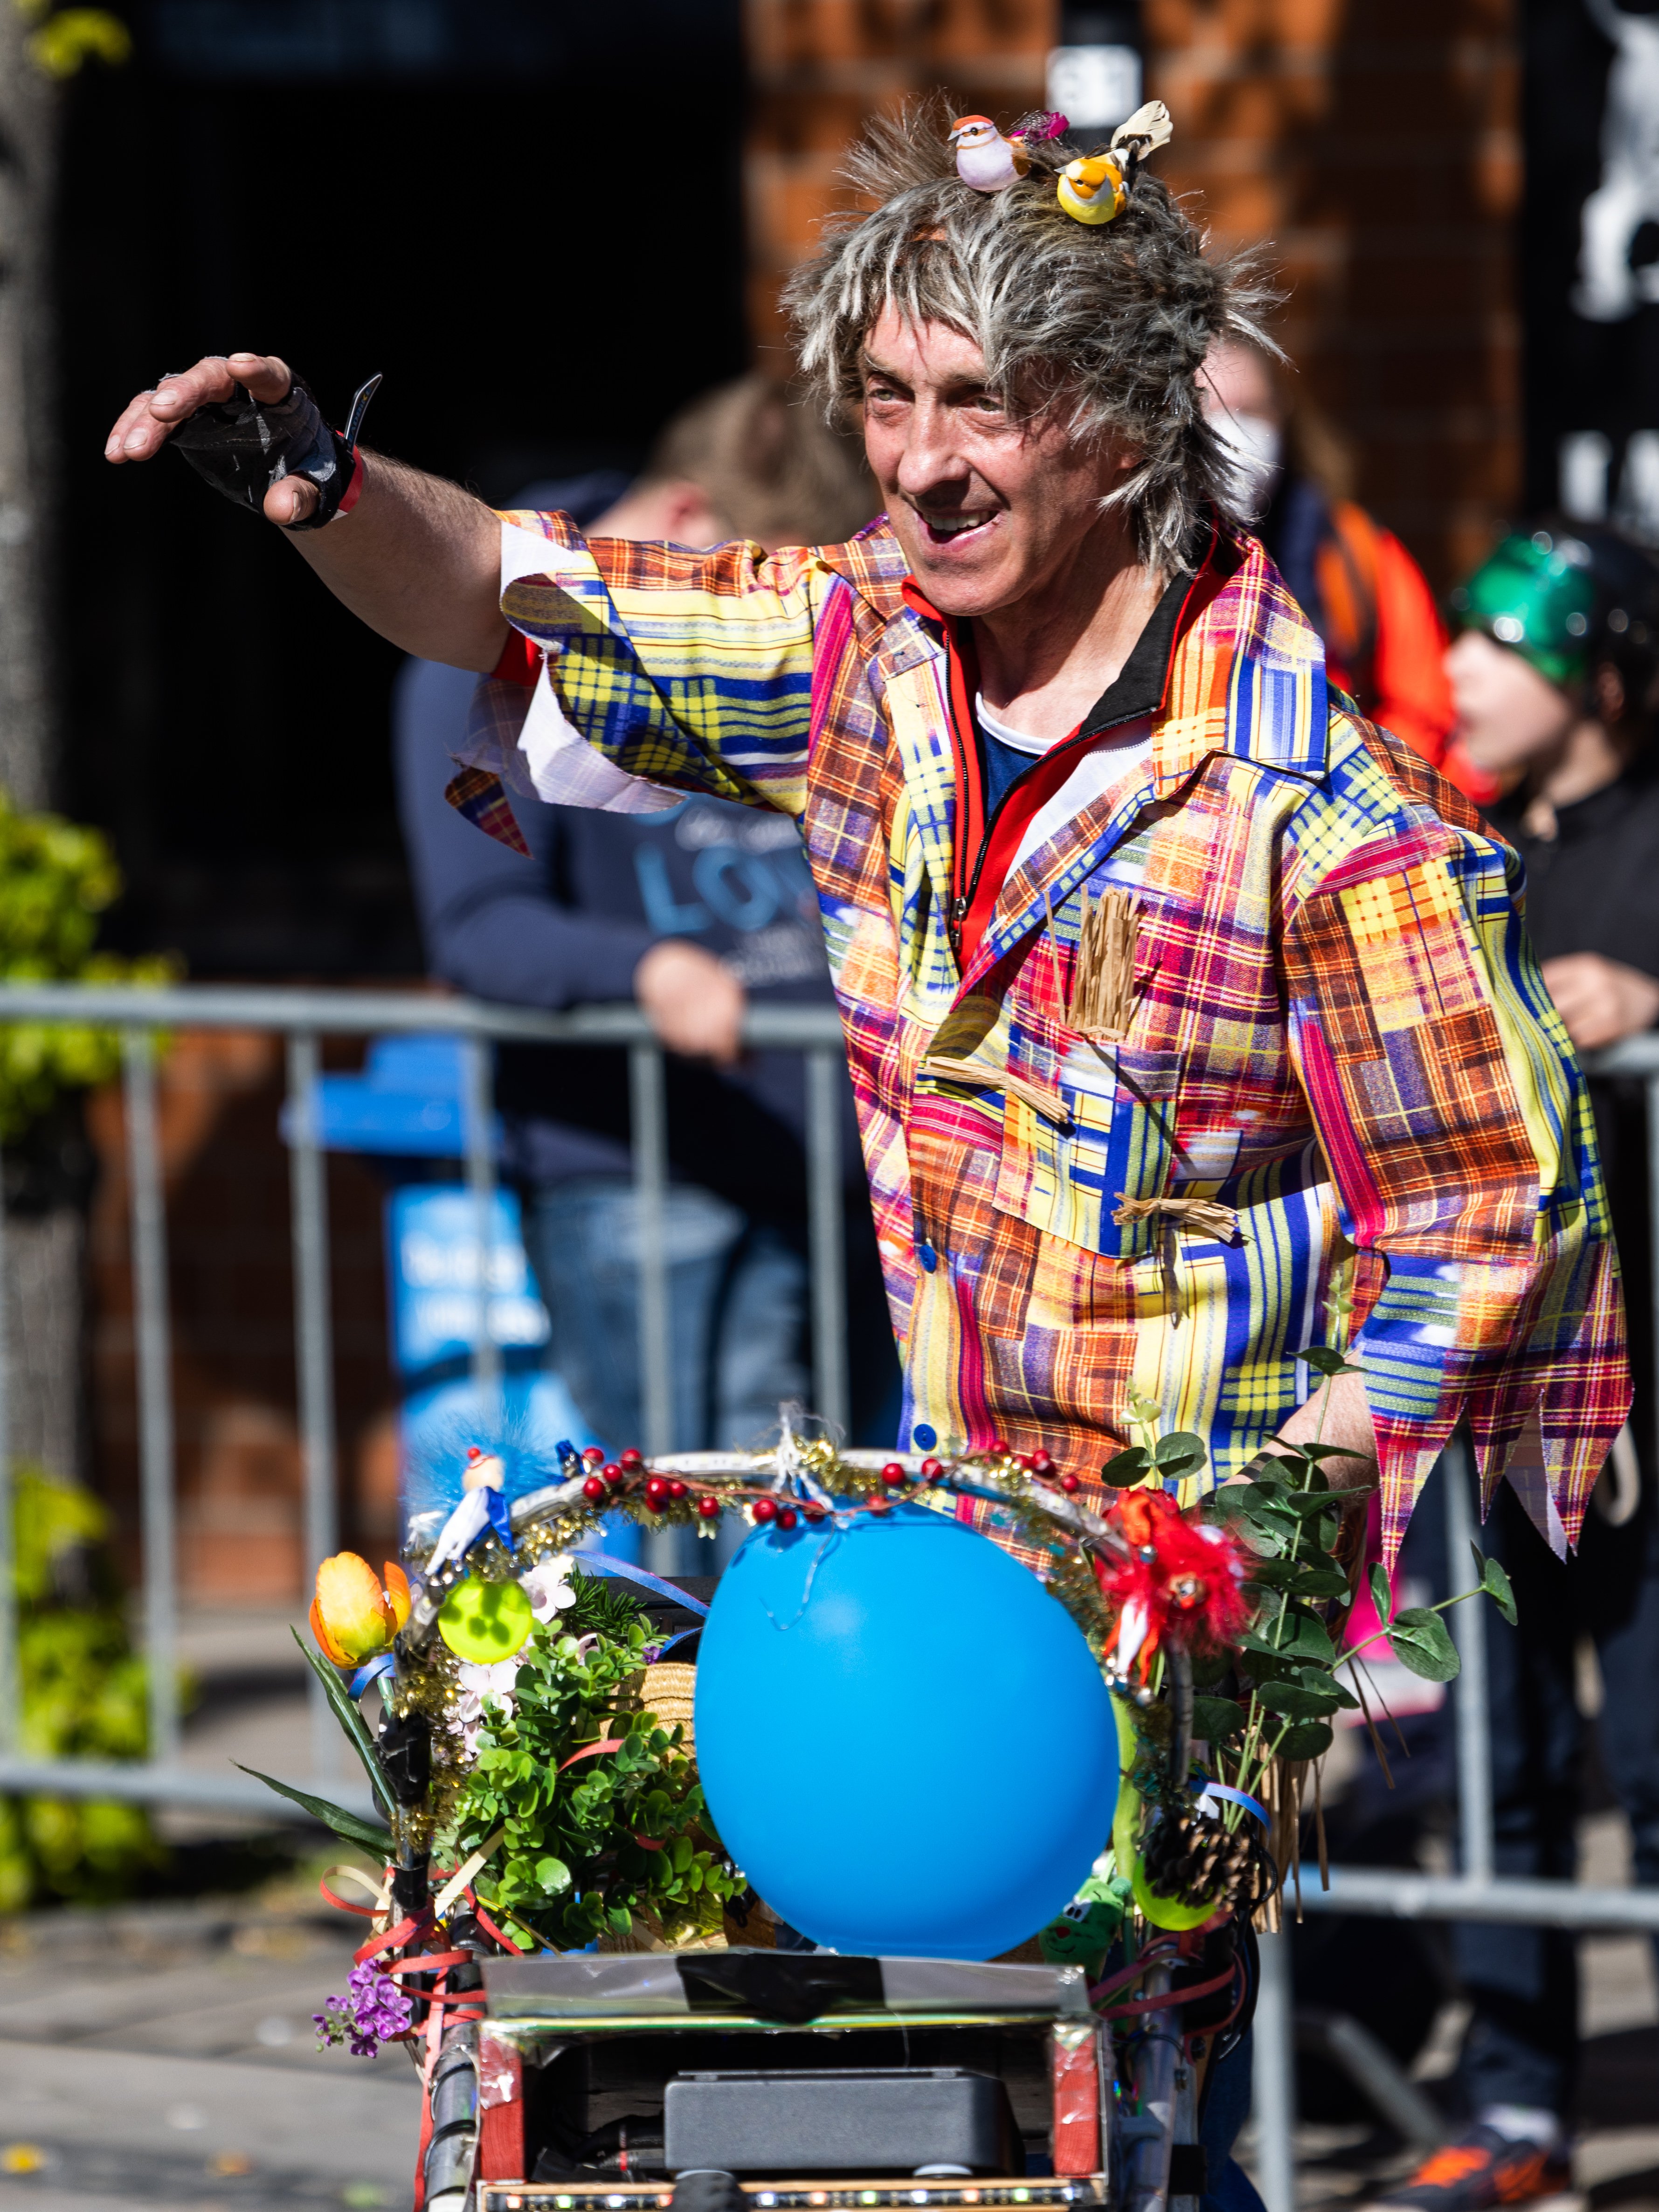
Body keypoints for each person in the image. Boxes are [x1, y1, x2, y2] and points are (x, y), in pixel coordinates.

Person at [101, 99, 1631, 2195]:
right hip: (946, 1553)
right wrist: (323, 489)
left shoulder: (1318, 810)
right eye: (889, 401)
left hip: (1182, 1606)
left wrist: (1283, 1540)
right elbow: (515, 594)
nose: (919, 461)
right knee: (964, 2123)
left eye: (981, 404)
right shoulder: (865, 662)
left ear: (1122, 424)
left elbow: (1484, 1209)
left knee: (1112, 2105)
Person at [394, 379, 892, 1571]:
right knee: (734, 1551)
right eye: (751, 583)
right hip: (649, 1180)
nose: (766, 633)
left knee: (826, 1528)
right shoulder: (483, 647)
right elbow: (479, 927)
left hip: (836, 1163)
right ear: (682, 518)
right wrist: (648, 967)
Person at [1353, 524, 1659, 2212]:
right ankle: (1518, 2103)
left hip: (1640, 1407)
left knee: (1656, 1764)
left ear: (1601, 677)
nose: (1458, 666)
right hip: (1491, 1402)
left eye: (1504, 640)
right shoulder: (1458, 853)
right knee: (1500, 1763)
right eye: (1456, 630)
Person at [1200, 335, 1491, 799]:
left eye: (1251, 410)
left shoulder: (1355, 550)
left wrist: (1362, 798)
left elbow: (1423, 707)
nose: (1235, 433)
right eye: (1211, 412)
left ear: (1284, 414)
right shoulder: (1126, 560)